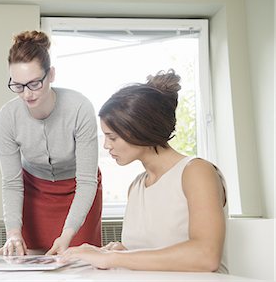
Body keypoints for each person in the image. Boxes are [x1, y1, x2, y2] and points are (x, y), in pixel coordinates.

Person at [61, 69, 228, 273]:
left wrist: (113, 258)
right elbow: (150, 253)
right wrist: (117, 252)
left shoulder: (196, 172)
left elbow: (206, 256)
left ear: (139, 130)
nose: (106, 146)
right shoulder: (137, 186)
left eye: (112, 137)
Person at [0, 30, 102, 256]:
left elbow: (86, 181)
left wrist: (67, 235)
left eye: (35, 83)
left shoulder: (80, 108)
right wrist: (13, 233)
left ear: (51, 74)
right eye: (18, 85)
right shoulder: (6, 117)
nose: (26, 94)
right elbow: (12, 184)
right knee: (33, 262)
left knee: (77, 261)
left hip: (78, 188)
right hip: (35, 192)